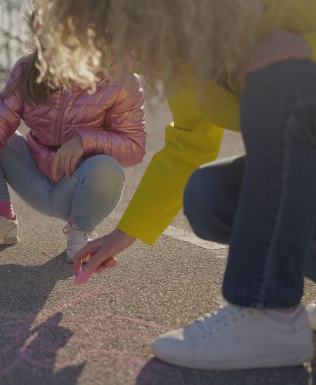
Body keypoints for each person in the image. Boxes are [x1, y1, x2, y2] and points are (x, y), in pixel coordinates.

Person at [34, 0, 316, 370]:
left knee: (280, 78)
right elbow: (187, 150)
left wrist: (307, 48)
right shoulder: (188, 62)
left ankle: (266, 314)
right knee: (209, 196)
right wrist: (122, 235)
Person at [0, 13, 146, 262]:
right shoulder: (27, 69)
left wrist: (83, 141)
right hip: (34, 176)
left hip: (77, 185)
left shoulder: (121, 80)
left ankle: (80, 232)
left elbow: (134, 147)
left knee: (106, 168)